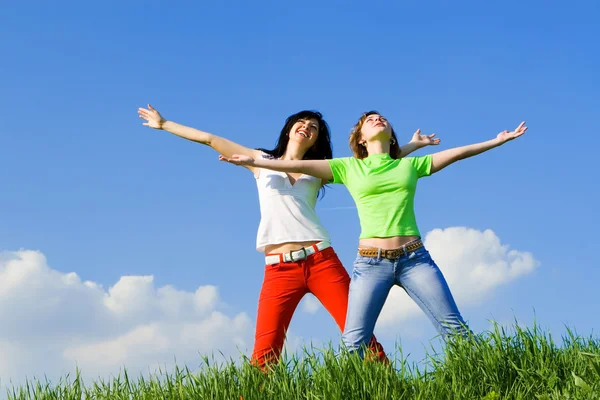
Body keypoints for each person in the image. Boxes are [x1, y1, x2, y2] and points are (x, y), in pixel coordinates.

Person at [137, 105, 438, 367]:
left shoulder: (318, 170)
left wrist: (411, 146)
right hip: (278, 269)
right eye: (302, 123)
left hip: (322, 260)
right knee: (265, 352)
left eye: (314, 128)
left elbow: (374, 165)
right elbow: (210, 139)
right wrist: (165, 125)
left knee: (359, 335)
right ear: (289, 129)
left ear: (317, 140)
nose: (307, 128)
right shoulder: (259, 160)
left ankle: (393, 390)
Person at [219, 111, 527, 356]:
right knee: (354, 344)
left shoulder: (408, 166)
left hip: (415, 258)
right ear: (359, 138)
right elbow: (298, 163)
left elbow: (454, 154)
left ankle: (484, 378)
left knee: (453, 328)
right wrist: (255, 161)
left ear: (390, 134)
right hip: (369, 264)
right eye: (369, 120)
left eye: (382, 118)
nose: (377, 119)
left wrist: (495, 141)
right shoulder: (348, 168)